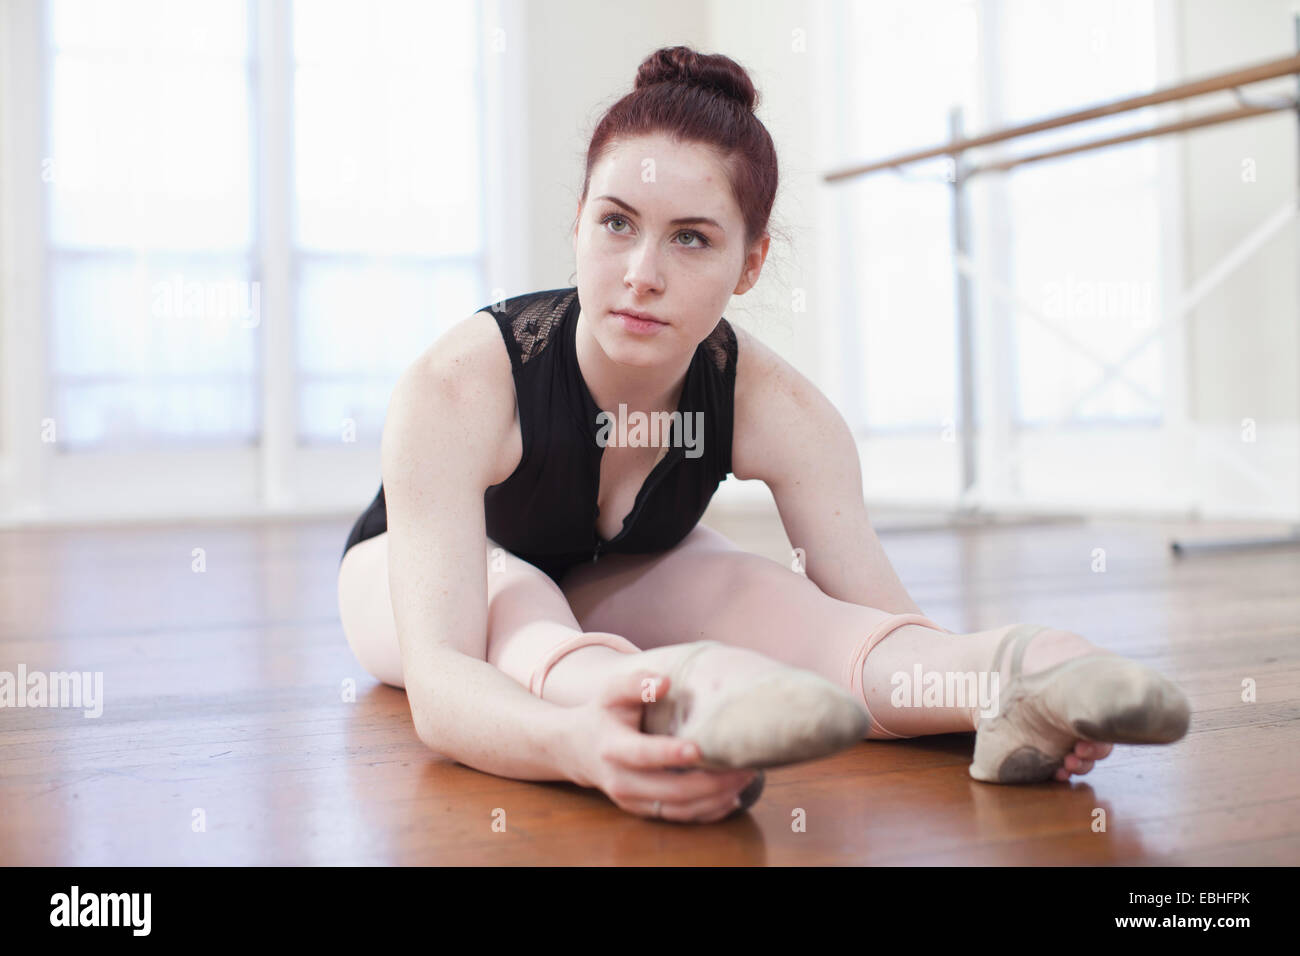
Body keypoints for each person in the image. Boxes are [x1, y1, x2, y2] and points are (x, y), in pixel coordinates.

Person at [336, 46, 1190, 825]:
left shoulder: (778, 405)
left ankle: (1028, 664)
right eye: (617, 223)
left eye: (692, 239)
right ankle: (671, 700)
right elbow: (444, 690)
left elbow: (881, 622)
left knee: (759, 592)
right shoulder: (458, 387)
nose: (641, 273)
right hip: (421, 578)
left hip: (610, 580)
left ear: (750, 262)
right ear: (578, 223)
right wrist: (580, 750)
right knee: (521, 607)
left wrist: (967, 701)